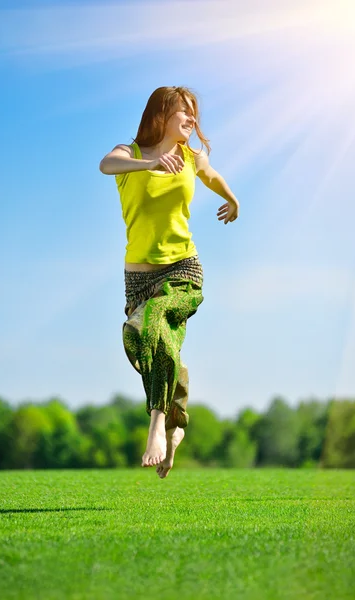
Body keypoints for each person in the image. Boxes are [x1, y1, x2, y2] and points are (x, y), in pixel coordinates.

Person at [99, 86, 239, 478]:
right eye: (185, 112)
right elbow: (105, 165)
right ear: (162, 115)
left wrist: (233, 199)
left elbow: (210, 175)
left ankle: (158, 427)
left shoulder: (193, 156)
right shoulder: (130, 155)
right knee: (138, 341)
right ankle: (177, 419)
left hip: (183, 271)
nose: (192, 120)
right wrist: (151, 166)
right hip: (138, 281)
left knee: (159, 320)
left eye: (194, 113)